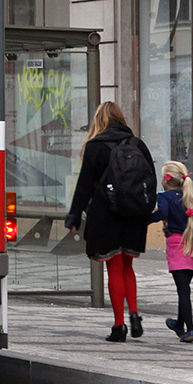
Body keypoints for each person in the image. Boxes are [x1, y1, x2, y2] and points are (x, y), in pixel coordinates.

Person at [64, 101, 153, 342]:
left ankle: (119, 325)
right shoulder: (138, 144)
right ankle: (134, 314)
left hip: (106, 214)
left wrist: (74, 216)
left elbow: (84, 185)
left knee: (113, 267)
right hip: (134, 215)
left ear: (99, 121)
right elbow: (150, 181)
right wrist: (146, 212)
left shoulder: (95, 147)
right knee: (128, 267)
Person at [148, 161, 193, 343]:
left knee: (183, 290)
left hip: (177, 245)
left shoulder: (164, 197)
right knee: (184, 287)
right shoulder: (189, 197)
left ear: (166, 179)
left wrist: (144, 220)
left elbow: (162, 213)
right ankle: (179, 324)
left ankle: (190, 329)